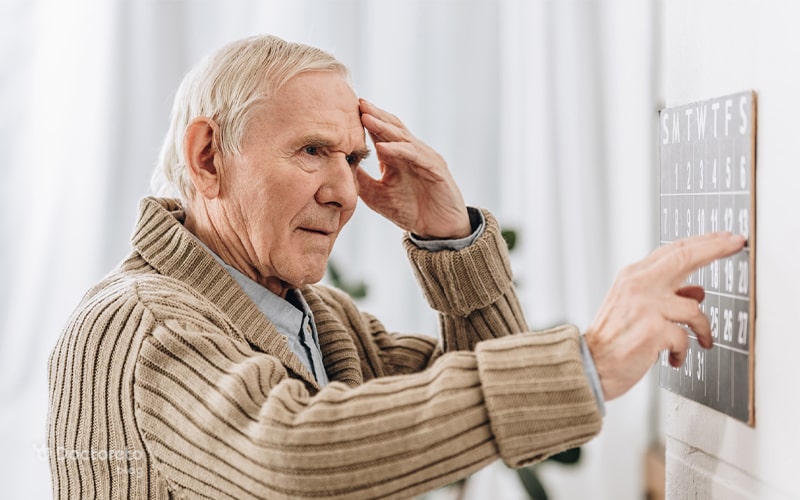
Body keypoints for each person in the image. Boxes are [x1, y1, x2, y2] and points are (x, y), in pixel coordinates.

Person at [47, 34, 745, 499]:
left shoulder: (322, 319)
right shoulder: (132, 324)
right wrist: (587, 361)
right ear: (208, 157)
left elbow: (506, 419)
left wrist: (450, 239)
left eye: (354, 158)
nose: (345, 192)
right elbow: (291, 458)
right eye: (312, 151)